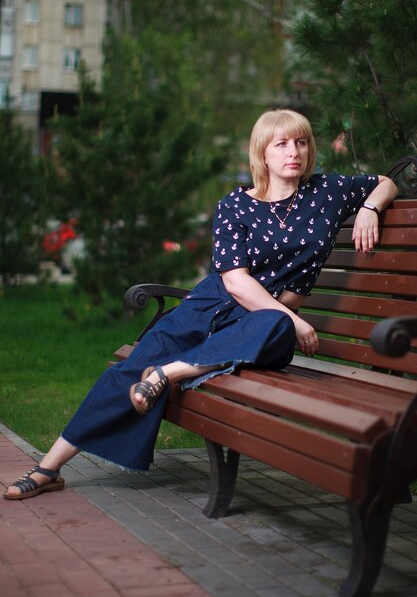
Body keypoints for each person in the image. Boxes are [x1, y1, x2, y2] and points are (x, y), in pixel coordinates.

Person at [4, 108, 398, 500]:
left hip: (260, 324)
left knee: (275, 325)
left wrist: (369, 208)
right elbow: (236, 281)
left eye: (301, 142)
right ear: (263, 153)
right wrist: (295, 319)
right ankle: (49, 468)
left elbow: (385, 182)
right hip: (210, 306)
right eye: (281, 144)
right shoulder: (235, 205)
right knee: (130, 370)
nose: (293, 151)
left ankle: (168, 373)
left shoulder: (327, 192)